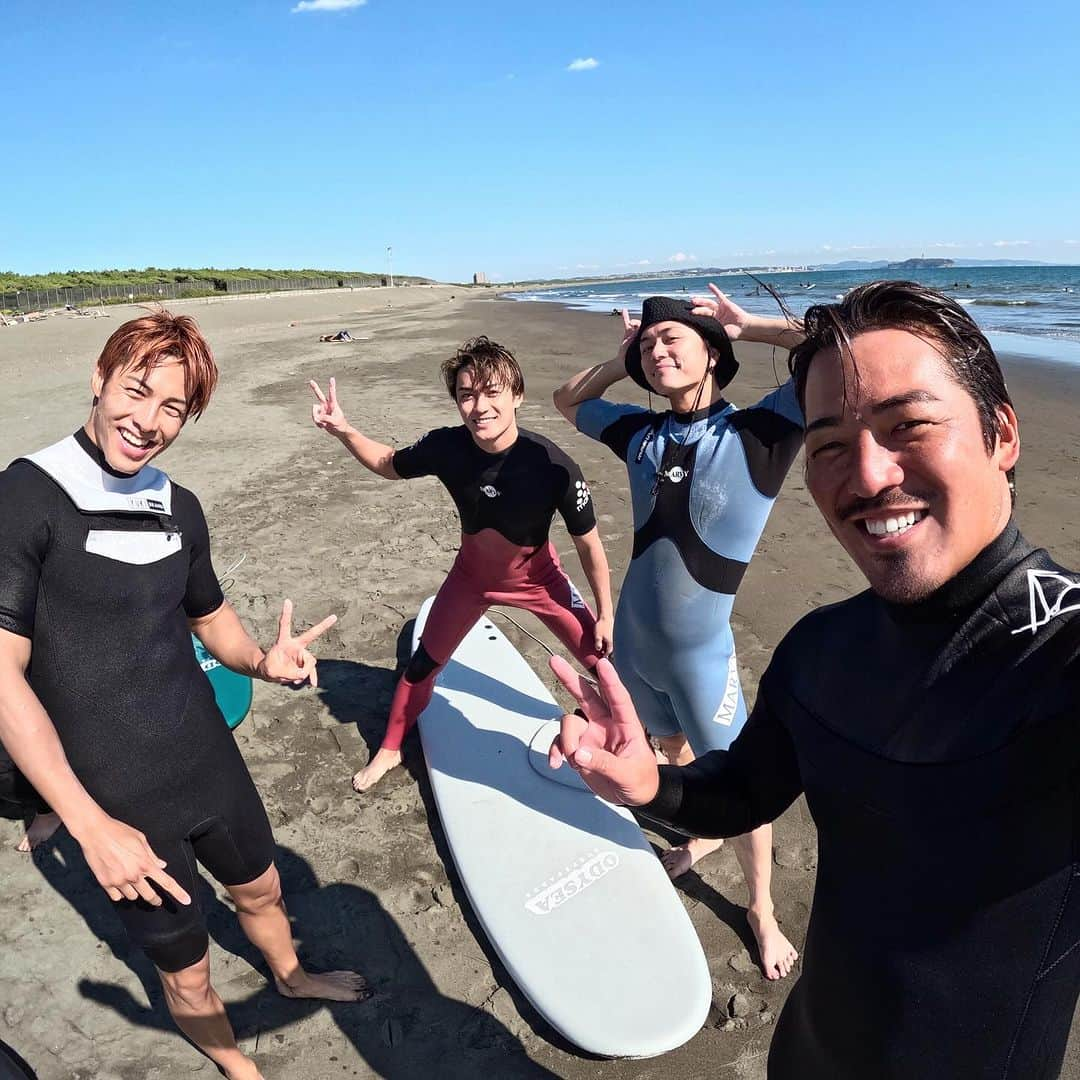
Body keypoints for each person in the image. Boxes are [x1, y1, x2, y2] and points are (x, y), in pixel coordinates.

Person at [547, 281, 1080, 1078]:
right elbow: (739, 794)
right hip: (806, 1052)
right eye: (829, 442)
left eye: (909, 426)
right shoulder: (819, 650)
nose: (865, 475)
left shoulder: (1060, 655)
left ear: (1001, 433)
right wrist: (647, 784)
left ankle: (759, 910)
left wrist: (750, 324)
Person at [0, 311, 368, 1080]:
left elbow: (209, 616)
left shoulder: (179, 505)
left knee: (263, 891)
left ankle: (291, 975)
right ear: (99, 381)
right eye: (137, 393)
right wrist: (87, 824)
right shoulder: (29, 495)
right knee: (186, 968)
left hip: (205, 757)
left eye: (174, 409)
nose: (149, 423)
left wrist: (262, 662)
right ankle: (237, 1064)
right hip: (114, 792)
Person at [552, 287, 804, 980]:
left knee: (745, 783)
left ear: (713, 356)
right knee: (672, 750)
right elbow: (565, 402)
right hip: (636, 644)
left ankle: (761, 910)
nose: (658, 350)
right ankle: (697, 834)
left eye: (674, 339)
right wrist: (617, 357)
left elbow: (831, 355)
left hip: (702, 655)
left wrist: (750, 325)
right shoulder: (641, 434)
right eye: (650, 343)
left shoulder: (760, 435)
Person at [311, 335, 614, 792]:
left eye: (492, 392)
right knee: (421, 666)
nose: (479, 406)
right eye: (467, 394)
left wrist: (605, 612)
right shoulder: (448, 447)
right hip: (471, 580)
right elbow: (389, 464)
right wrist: (345, 430)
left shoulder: (553, 465)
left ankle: (637, 740)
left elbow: (590, 547)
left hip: (540, 580)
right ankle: (391, 748)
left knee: (604, 660)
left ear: (517, 396)